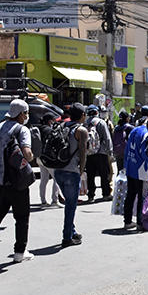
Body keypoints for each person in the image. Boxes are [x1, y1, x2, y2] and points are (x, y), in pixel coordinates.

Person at [0, 99, 35, 263]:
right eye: (25, 113)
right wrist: (31, 157)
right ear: (21, 114)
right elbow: (27, 152)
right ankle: (20, 251)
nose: (26, 116)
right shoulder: (22, 130)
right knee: (22, 217)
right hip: (16, 182)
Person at [53, 103, 88, 248]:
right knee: (70, 206)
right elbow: (83, 153)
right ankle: (66, 237)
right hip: (71, 171)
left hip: (58, 170)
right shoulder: (81, 130)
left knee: (69, 202)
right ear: (82, 115)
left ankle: (72, 231)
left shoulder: (62, 126)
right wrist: (82, 171)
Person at [84, 104, 113, 202]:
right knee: (103, 174)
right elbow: (107, 138)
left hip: (89, 153)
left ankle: (91, 195)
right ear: (97, 112)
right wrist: (110, 151)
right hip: (101, 152)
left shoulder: (85, 123)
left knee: (90, 175)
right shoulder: (101, 122)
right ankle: (106, 194)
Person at [35, 114, 63, 207]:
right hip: (48, 158)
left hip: (39, 157)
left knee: (44, 179)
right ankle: (54, 201)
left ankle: (43, 201)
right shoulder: (49, 130)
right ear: (49, 121)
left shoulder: (38, 129)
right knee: (57, 178)